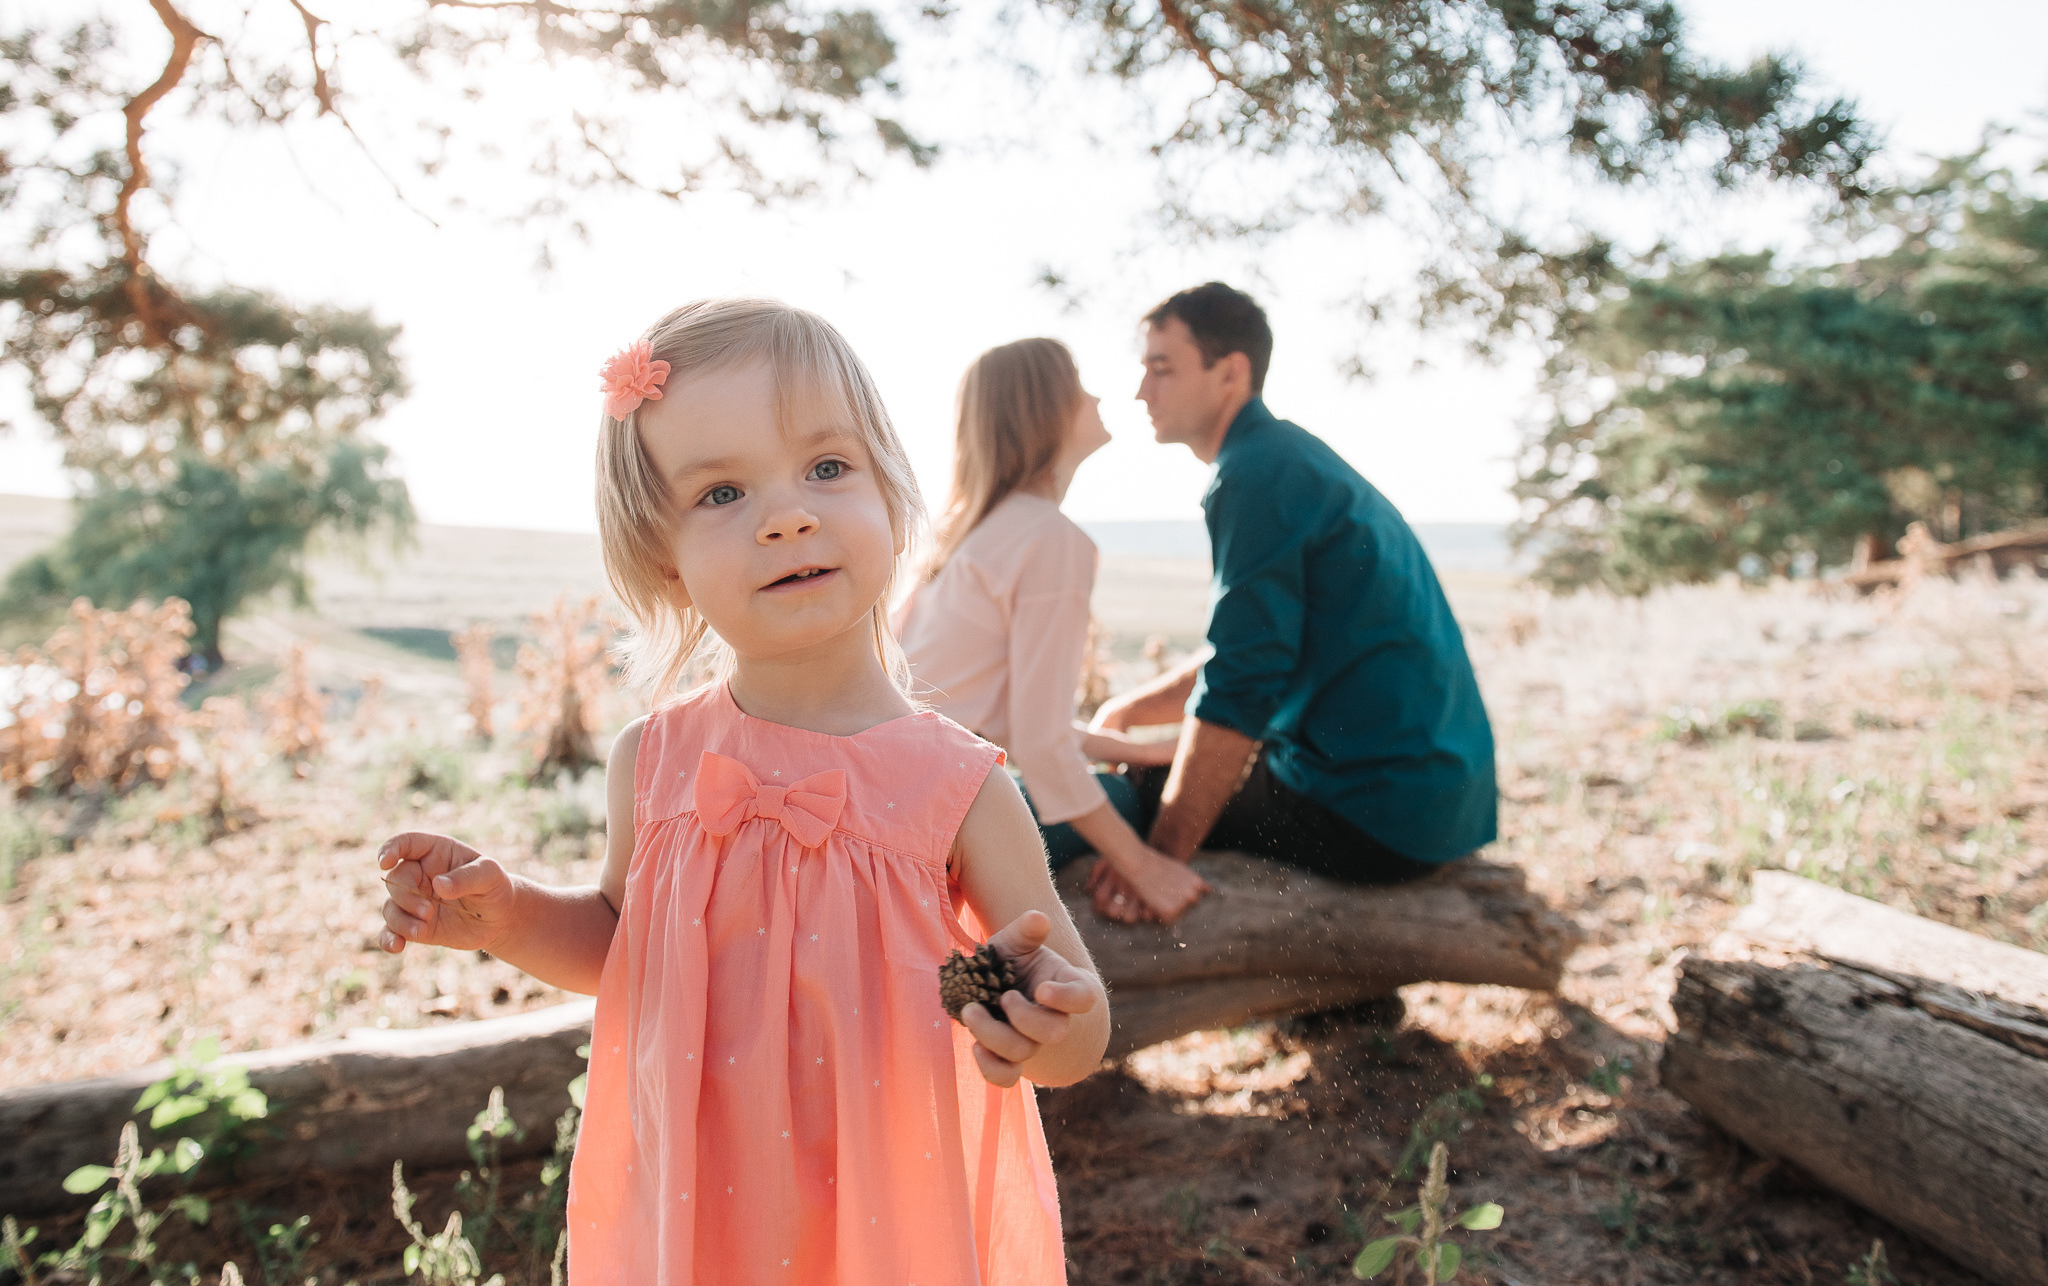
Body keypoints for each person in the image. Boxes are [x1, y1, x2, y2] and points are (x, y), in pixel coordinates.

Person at [375, 299, 1107, 1285]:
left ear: (893, 498)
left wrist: (1036, 1020)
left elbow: (1046, 1003)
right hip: (695, 1193)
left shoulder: (952, 782)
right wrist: (506, 916)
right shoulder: (658, 758)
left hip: (887, 1197)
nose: (787, 513)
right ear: (660, 559)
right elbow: (625, 942)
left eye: (827, 468)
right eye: (721, 492)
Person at [1087, 282, 1497, 921]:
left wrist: (1158, 859)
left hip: (1380, 817)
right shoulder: (1282, 459)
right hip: (1440, 805)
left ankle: (1336, 990)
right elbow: (1256, 650)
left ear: (1231, 373)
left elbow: (1241, 685)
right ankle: (1349, 1000)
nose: (1142, 391)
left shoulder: (1256, 475)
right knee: (1170, 757)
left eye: (1161, 368)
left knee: (1136, 793)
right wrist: (1132, 710)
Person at [896, 338, 1210, 924]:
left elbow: (1000, 718)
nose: (1095, 396)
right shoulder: (1049, 541)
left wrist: (1138, 748)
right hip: (939, 828)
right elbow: (1040, 746)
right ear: (1046, 410)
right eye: (1079, 384)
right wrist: (1146, 868)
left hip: (903, 804)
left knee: (1117, 777)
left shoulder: (971, 534)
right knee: (1123, 797)